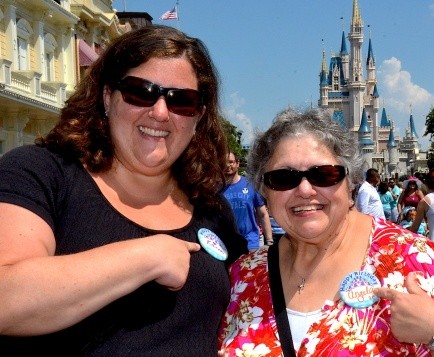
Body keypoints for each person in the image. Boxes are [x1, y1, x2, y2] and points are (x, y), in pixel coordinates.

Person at [0, 25, 248, 355]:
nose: (160, 112)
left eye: (182, 101)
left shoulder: (212, 208)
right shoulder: (42, 173)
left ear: (198, 117)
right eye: (140, 92)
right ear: (106, 96)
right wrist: (145, 257)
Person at [218, 107, 434, 356]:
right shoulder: (246, 277)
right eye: (284, 178)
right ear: (264, 189)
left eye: (323, 174)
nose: (305, 190)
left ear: (351, 181)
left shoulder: (407, 257)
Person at [223, 152, 273, 250]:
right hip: (226, 243)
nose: (228, 165)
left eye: (231, 162)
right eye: (224, 163)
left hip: (250, 242)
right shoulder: (217, 188)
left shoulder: (250, 184)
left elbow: (263, 214)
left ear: (237, 163)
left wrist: (269, 240)